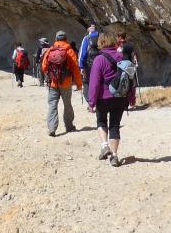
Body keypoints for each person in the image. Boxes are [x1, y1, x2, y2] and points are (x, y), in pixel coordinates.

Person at [87, 30, 134, 166]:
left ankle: (104, 145)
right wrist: (131, 97)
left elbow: (94, 83)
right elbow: (130, 79)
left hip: (103, 97)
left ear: (101, 42)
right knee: (115, 126)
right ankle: (114, 155)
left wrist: (91, 102)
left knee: (101, 121)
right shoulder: (122, 57)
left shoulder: (99, 59)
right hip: (120, 97)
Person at [41, 31, 82, 136]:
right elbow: (76, 69)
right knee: (67, 104)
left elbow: (44, 67)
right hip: (66, 83)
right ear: (66, 38)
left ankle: (52, 128)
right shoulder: (69, 51)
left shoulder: (51, 49)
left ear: (56, 38)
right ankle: (69, 126)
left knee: (52, 105)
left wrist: (51, 75)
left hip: (53, 83)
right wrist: (79, 83)